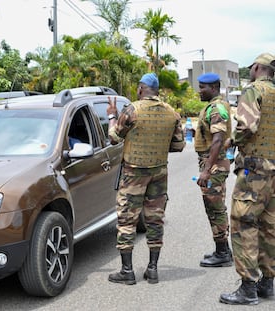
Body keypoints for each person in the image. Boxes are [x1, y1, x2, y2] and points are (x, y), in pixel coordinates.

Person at [106, 73, 185, 285]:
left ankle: (127, 271)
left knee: (126, 219)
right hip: (159, 173)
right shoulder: (172, 113)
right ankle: (152, 269)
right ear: (157, 90)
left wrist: (112, 116)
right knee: (155, 219)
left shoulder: (132, 110)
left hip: (133, 173)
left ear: (141, 89)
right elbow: (178, 146)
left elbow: (113, 136)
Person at [220, 53, 275, 305]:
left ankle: (247, 288)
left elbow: (248, 127)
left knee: (244, 224)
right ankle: (267, 283)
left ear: (256, 68)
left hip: (255, 170)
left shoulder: (253, 90)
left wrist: (234, 141)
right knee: (270, 226)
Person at [192, 73, 233, 268]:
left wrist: (207, 169)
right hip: (215, 163)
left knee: (214, 208)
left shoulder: (216, 108)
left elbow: (217, 140)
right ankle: (222, 249)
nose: (199, 91)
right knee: (216, 207)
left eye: (203, 87)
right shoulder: (215, 106)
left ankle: (223, 252)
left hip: (214, 164)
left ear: (214, 88)